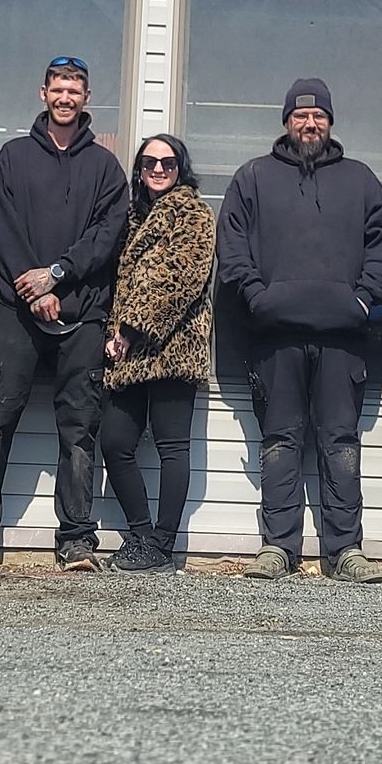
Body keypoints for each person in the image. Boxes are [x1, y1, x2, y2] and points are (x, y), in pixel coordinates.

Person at [0, 56, 129, 572]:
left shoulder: (106, 169)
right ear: (43, 93)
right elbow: (2, 231)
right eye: (58, 89)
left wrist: (58, 274)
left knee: (79, 429)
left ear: (87, 99)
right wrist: (34, 286)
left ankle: (76, 540)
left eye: (75, 90)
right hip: (17, 315)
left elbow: (105, 236)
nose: (66, 97)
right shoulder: (13, 157)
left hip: (83, 315)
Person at [217, 76, 382, 583]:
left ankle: (346, 551)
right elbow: (232, 247)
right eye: (300, 115)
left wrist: (362, 299)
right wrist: (256, 296)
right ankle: (279, 546)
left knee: (340, 442)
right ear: (286, 122)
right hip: (276, 337)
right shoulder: (253, 177)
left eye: (318, 116)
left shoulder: (360, 180)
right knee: (280, 440)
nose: (309, 123)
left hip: (343, 336)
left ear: (331, 122)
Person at [99, 133, 217, 573]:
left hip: (173, 347)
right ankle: (142, 534)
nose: (158, 170)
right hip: (126, 352)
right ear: (139, 169)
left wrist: (131, 329)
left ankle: (163, 545)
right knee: (115, 440)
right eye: (149, 163)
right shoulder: (131, 218)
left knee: (172, 445)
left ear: (180, 167)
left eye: (168, 163)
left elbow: (179, 278)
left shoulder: (194, 213)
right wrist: (115, 332)